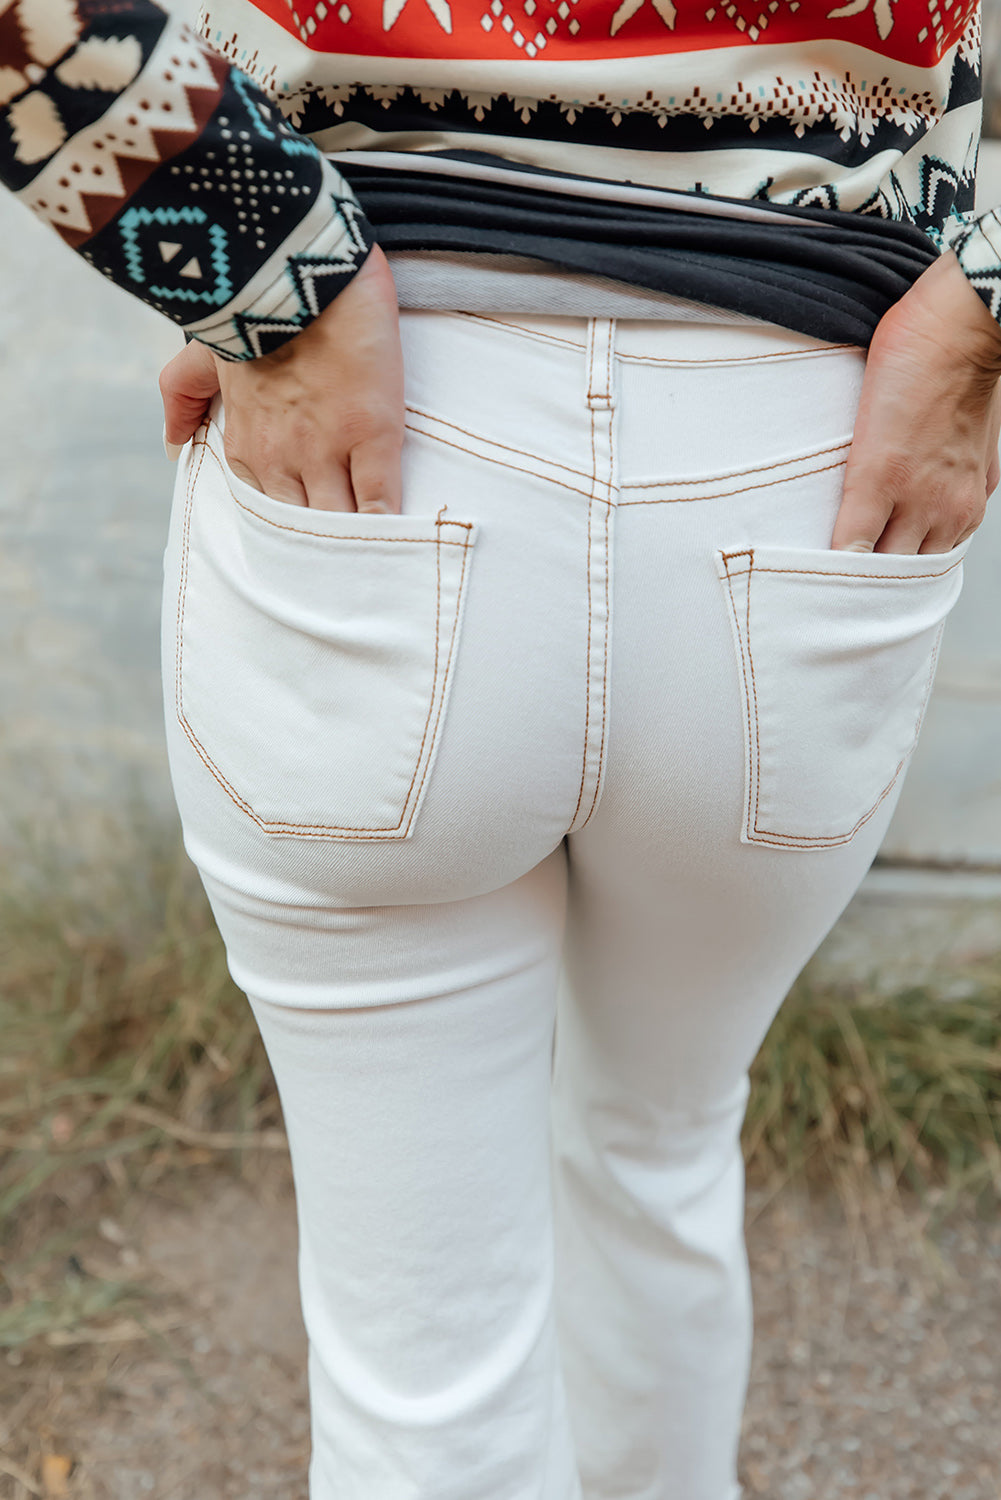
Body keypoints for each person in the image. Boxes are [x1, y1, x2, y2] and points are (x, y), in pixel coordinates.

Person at [3, 1, 999, 1495]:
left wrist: (261, 268)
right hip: (806, 453)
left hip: (377, 437)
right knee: (659, 1155)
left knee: (424, 1366)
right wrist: (979, 316)